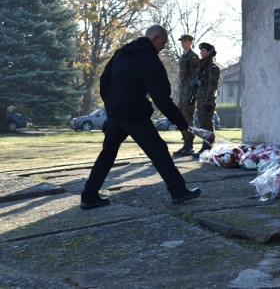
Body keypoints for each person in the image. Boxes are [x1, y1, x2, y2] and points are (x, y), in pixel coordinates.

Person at [80, 25, 201, 209]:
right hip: (134, 113)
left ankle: (89, 195)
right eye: (163, 42)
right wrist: (181, 122)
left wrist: (111, 103)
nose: (164, 46)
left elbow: (104, 80)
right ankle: (178, 191)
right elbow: (162, 98)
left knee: (108, 152)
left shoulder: (122, 53)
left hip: (115, 113)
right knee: (158, 149)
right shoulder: (150, 60)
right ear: (154, 38)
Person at [172, 34, 200, 157]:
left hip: (189, 92)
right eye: (182, 41)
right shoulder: (183, 56)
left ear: (190, 42)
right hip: (182, 92)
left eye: (185, 41)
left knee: (188, 117)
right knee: (181, 117)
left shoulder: (193, 57)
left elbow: (195, 76)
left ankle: (189, 145)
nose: (182, 43)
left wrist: (192, 92)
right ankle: (185, 144)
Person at [191, 42, 220, 158]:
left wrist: (208, 100)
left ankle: (208, 147)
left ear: (208, 52)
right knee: (203, 123)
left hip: (207, 100)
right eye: (201, 51)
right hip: (201, 98)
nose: (201, 53)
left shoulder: (212, 67)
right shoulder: (202, 66)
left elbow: (212, 86)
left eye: (203, 51)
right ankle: (205, 146)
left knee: (207, 123)